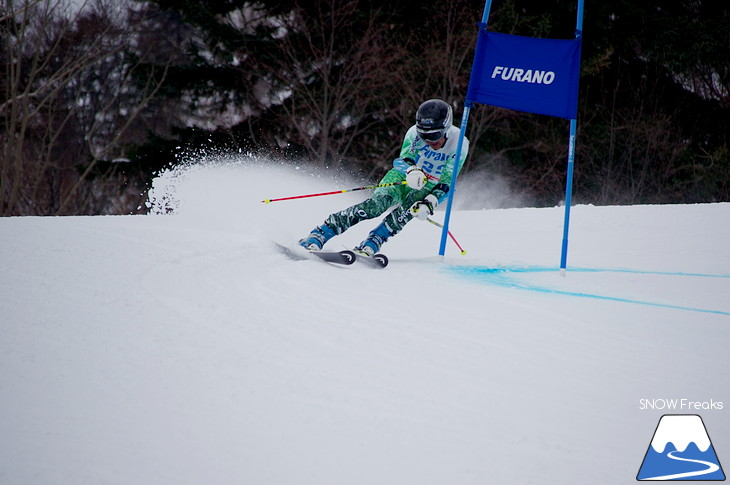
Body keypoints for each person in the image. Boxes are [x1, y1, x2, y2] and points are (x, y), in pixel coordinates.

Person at [299, 98, 470, 256]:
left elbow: (448, 181)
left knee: (404, 214)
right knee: (375, 207)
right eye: (423, 135)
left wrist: (431, 201)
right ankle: (323, 232)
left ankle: (374, 241)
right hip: (404, 176)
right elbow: (401, 161)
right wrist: (411, 170)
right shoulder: (413, 133)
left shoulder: (459, 143)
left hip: (429, 186)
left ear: (447, 128)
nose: (428, 141)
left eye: (434, 136)